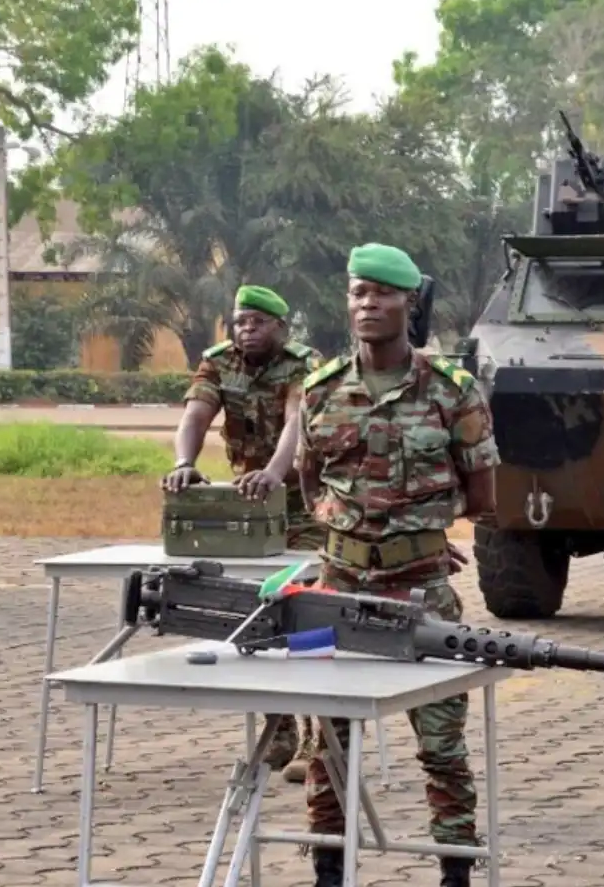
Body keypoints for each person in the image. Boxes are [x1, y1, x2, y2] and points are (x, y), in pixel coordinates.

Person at [294, 244, 499, 887]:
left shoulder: (452, 391)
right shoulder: (321, 390)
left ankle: (456, 871)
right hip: (338, 589)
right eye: (358, 292)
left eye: (382, 294)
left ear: (410, 303)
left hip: (420, 594)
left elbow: (483, 496)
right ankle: (328, 868)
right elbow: (310, 483)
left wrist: (418, 531)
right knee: (329, 743)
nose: (368, 304)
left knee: (442, 745)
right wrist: (354, 529)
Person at [162, 284, 325, 782]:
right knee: (260, 610)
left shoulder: (304, 363)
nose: (246, 330)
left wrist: (275, 472)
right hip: (250, 508)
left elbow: (297, 422)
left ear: (281, 327)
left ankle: (320, 737)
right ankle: (280, 729)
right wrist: (184, 463)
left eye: (257, 322)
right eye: (240, 322)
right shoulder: (218, 362)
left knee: (310, 612)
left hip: (304, 502)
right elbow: (195, 415)